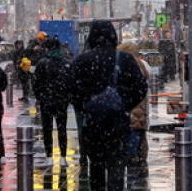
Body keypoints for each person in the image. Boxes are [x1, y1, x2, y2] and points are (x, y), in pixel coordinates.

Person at [69, 20, 148, 191]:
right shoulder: (125, 59)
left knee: (96, 167)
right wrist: (124, 105)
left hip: (92, 124)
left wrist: (86, 106)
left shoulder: (81, 61)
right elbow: (141, 87)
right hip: (118, 123)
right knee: (116, 167)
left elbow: (71, 90)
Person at [33, 37, 72, 167]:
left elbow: (36, 83)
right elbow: (70, 83)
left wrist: (41, 96)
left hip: (47, 101)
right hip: (61, 101)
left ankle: (49, 156)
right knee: (62, 129)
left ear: (47, 48)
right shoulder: (65, 63)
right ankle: (63, 157)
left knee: (47, 129)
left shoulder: (42, 63)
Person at [117, 41, 152, 176]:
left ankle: (131, 156)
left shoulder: (125, 65)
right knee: (138, 130)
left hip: (131, 104)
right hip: (140, 103)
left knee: (133, 130)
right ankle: (139, 155)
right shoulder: (142, 65)